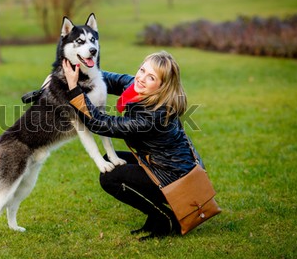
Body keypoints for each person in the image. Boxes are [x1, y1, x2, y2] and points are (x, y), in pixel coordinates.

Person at [63, 50, 204, 240]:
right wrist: (78, 72)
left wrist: (74, 90)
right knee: (109, 162)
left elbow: (101, 123)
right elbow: (108, 79)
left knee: (110, 177)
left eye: (151, 77)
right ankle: (155, 218)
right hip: (161, 164)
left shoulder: (153, 116)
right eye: (142, 70)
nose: (142, 78)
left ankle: (164, 219)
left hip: (178, 181)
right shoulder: (139, 88)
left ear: (162, 86)